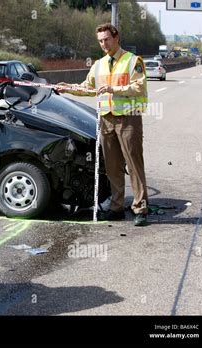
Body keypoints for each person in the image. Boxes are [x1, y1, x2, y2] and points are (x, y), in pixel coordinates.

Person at [55, 23, 149, 226]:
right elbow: (87, 88)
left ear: (116, 38)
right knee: (112, 166)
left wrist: (113, 89)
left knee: (133, 164)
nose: (103, 44)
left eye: (106, 39)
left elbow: (139, 87)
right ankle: (116, 208)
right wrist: (68, 88)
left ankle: (140, 208)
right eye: (100, 41)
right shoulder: (98, 64)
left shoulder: (133, 61)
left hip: (128, 117)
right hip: (106, 118)